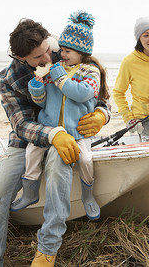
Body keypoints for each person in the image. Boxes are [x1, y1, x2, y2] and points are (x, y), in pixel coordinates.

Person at [0, 17, 110, 267]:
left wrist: (103, 114)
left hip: (70, 134)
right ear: (21, 58)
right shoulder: (9, 79)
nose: (49, 58)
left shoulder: (67, 50)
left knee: (59, 165)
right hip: (27, 141)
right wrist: (52, 134)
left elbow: (97, 93)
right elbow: (20, 124)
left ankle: (47, 250)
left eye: (48, 49)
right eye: (39, 57)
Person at [10, 11, 109, 222]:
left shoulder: (88, 71)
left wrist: (102, 114)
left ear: (82, 52)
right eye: (62, 50)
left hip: (77, 131)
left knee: (86, 159)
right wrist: (36, 90)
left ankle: (87, 195)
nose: (61, 55)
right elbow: (44, 102)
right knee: (32, 153)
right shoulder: (57, 70)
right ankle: (30, 191)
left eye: (67, 51)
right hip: (49, 127)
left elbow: (82, 94)